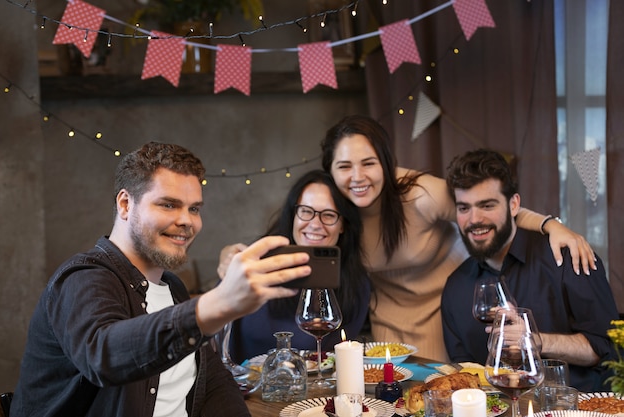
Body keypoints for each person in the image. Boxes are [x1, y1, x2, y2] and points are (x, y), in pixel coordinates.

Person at [11, 142, 313, 417]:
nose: (186, 220)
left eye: (193, 208)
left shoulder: (172, 287)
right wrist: (216, 305)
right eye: (168, 204)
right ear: (125, 205)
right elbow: (103, 354)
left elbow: (213, 383)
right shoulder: (83, 279)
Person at [320, 115, 596, 362]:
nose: (357, 177)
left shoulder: (419, 193)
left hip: (449, 308)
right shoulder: (333, 210)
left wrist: (549, 225)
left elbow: (487, 209)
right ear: (330, 172)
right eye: (344, 166)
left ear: (387, 163)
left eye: (369, 163)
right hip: (388, 319)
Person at [441, 148, 619, 391]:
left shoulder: (568, 257)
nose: (474, 219)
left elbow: (606, 349)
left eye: (487, 205)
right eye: (464, 208)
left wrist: (536, 341)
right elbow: (463, 374)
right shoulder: (456, 287)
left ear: (514, 205)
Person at [219, 170, 371, 363]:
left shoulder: (356, 285)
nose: (315, 224)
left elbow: (329, 361)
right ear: (293, 216)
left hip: (314, 390)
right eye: (306, 212)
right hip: (246, 388)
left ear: (342, 225)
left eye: (329, 215)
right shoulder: (256, 266)